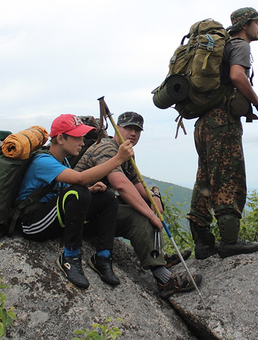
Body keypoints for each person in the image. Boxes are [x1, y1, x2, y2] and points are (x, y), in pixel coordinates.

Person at [75, 111, 202, 298]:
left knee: (146, 207)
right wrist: (151, 215)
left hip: (98, 208)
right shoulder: (106, 148)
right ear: (118, 128)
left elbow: (137, 184)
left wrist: (155, 197)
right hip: (81, 212)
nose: (133, 134)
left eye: (137, 130)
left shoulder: (126, 154)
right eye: (128, 128)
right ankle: (164, 280)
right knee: (138, 216)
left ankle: (158, 255)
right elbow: (121, 184)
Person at [186, 7, 258, 259]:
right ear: (245, 24)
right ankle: (229, 241)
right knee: (228, 178)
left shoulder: (220, 47)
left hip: (204, 122)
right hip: (223, 122)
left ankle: (203, 241)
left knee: (205, 178)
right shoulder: (240, 46)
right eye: (257, 22)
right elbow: (237, 76)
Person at [16, 114, 134, 288]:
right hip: (32, 224)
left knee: (107, 197)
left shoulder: (62, 161)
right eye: (77, 137)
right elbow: (79, 180)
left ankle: (103, 257)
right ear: (61, 138)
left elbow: (67, 189)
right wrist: (117, 159)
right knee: (79, 192)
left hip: (50, 217)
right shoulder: (43, 161)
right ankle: (70, 257)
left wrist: (90, 191)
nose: (82, 141)